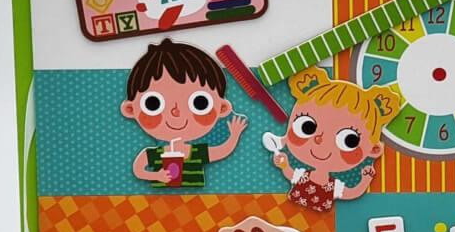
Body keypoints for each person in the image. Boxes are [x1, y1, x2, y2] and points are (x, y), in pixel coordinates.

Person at [271, 67, 401, 212]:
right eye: (306, 127)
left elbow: (353, 192)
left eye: (349, 140)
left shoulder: (334, 186)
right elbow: (290, 173)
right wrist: (284, 164)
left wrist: (366, 180)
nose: (321, 142)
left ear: (374, 149)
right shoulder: (303, 175)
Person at [121, 39, 247, 185]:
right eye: (153, 104)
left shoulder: (197, 152)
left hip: (203, 198)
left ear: (222, 108)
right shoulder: (153, 154)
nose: (176, 112)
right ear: (130, 109)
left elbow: (222, 151)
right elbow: (138, 170)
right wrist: (157, 176)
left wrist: (234, 135)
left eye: (200, 103)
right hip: (155, 198)